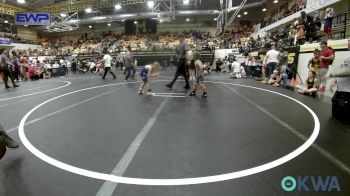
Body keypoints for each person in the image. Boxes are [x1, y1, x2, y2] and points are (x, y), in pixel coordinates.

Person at [328, 57, 350, 122]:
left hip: (347, 92)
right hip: (340, 90)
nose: (347, 45)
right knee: (335, 115)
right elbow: (342, 71)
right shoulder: (347, 58)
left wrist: (333, 75)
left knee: (344, 120)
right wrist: (335, 81)